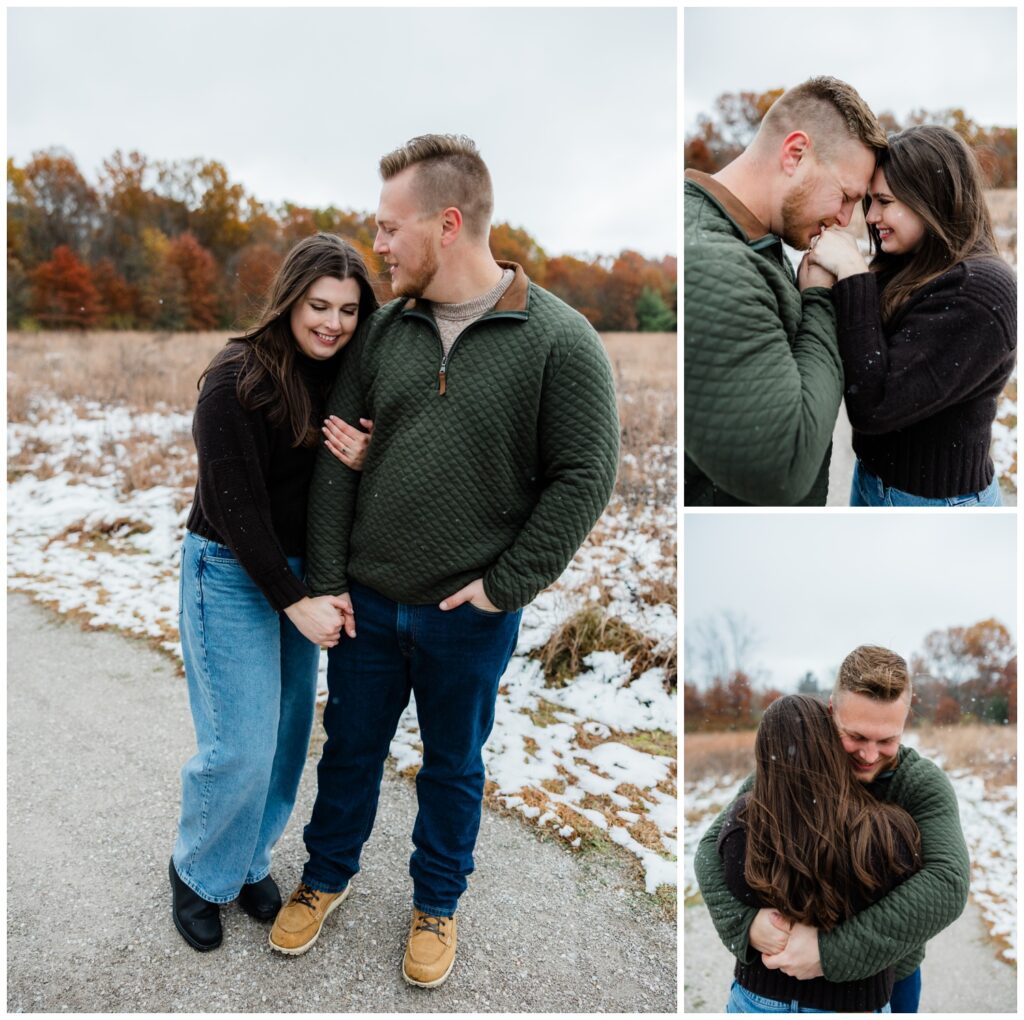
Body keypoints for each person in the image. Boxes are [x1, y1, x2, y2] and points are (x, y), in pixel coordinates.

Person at [268, 134, 621, 988]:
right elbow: (334, 460)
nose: (377, 245)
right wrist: (325, 581)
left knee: (454, 765)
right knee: (349, 749)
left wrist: (507, 584)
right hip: (369, 604)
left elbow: (587, 474)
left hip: (470, 615)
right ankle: (325, 878)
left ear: (448, 224)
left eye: (390, 228)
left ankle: (436, 903)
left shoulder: (559, 341)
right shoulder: (383, 330)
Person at [170, 233, 379, 951]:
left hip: (303, 573)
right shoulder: (235, 377)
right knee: (240, 745)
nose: (333, 323)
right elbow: (234, 506)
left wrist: (372, 455)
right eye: (319, 305)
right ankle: (197, 872)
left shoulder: (351, 371)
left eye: (350, 309)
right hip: (229, 568)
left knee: (289, 740)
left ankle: (248, 859)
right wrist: (296, 599)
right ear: (290, 299)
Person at [695, 646, 970, 1014]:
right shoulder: (792, 768)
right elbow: (711, 846)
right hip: (771, 984)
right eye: (855, 736)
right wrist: (745, 924)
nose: (870, 755)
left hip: (891, 976)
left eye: (887, 740)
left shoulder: (920, 783)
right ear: (830, 711)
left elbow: (947, 882)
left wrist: (829, 952)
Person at [684, 76, 887, 506]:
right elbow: (784, 469)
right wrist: (820, 301)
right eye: (847, 195)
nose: (847, 218)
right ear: (795, 154)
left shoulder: (757, 239)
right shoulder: (712, 260)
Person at [804, 125, 1017, 506]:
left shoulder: (980, 291)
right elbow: (860, 354)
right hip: (874, 481)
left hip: (937, 506)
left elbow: (875, 404)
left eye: (884, 201)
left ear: (930, 200)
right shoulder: (911, 263)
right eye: (870, 201)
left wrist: (853, 274)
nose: (870, 216)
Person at [718, 694, 921, 1012]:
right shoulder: (888, 830)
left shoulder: (740, 824)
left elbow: (733, 881)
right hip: (854, 1002)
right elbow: (909, 903)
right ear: (832, 746)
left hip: (758, 997)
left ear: (763, 754)